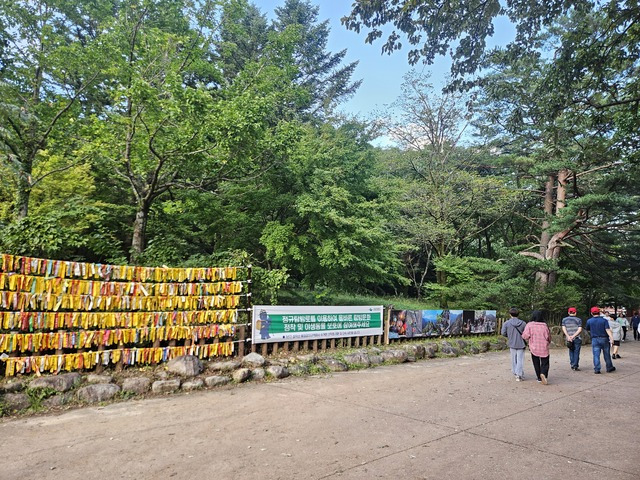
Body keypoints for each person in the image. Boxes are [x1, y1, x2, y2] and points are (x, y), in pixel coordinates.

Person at [521, 310, 551, 384]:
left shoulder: (529, 325)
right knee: (545, 362)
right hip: (544, 346)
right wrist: (548, 341)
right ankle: (543, 374)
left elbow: (525, 336)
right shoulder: (545, 325)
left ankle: (539, 377)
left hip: (534, 347)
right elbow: (548, 336)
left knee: (536, 362)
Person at [585, 306, 615, 374]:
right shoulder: (604, 320)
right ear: (599, 312)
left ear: (591, 313)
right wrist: (611, 338)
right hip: (604, 338)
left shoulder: (589, 321)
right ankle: (609, 367)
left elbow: (587, 329)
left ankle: (597, 369)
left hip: (595, 339)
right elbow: (607, 329)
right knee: (607, 354)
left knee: (596, 355)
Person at [501, 307, 527, 381]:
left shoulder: (506, 323)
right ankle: (519, 374)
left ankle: (515, 372)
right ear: (518, 314)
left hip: (512, 343)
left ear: (510, 314)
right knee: (520, 359)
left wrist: (509, 336)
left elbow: (503, 333)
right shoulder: (523, 323)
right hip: (521, 343)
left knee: (513, 359)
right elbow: (526, 334)